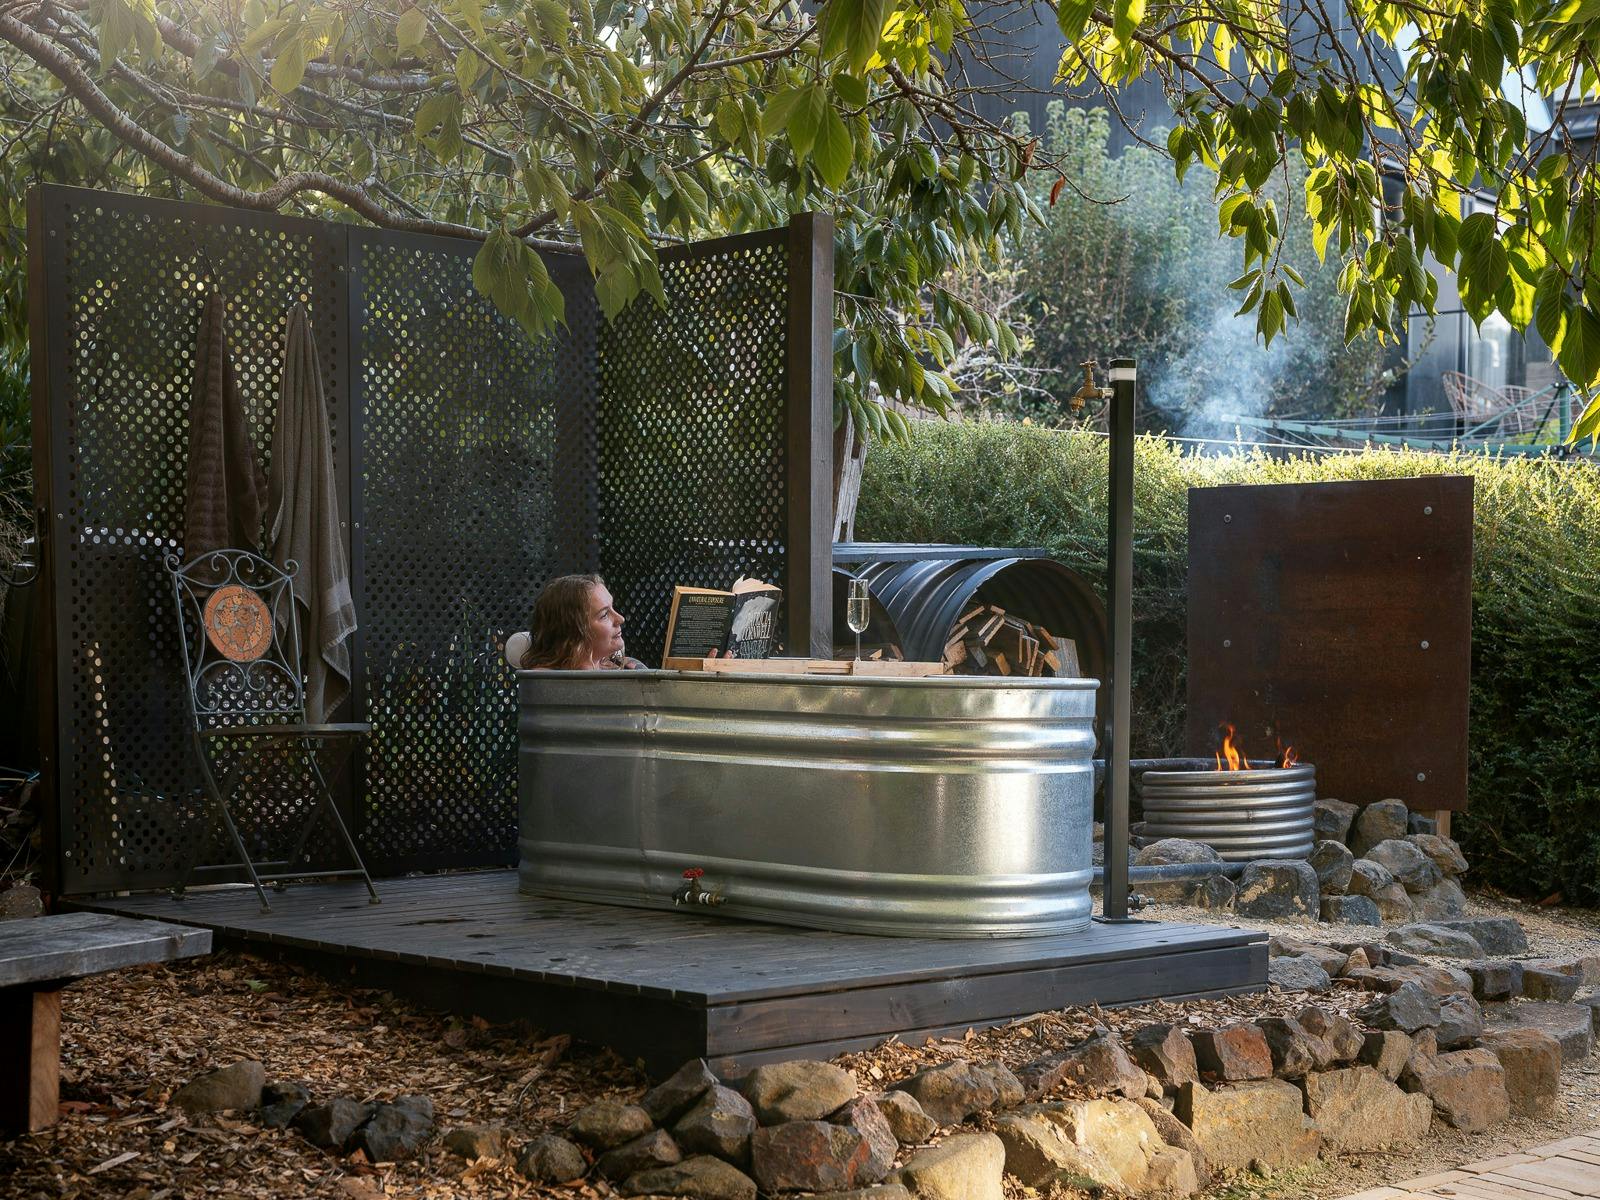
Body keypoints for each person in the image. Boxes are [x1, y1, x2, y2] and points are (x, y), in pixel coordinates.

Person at [518, 574, 647, 670]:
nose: (620, 618)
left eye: (613, 607)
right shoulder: (544, 684)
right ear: (572, 632)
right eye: (604, 615)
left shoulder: (630, 667)